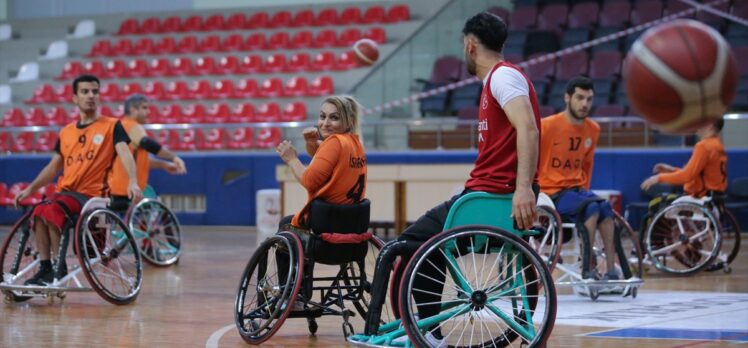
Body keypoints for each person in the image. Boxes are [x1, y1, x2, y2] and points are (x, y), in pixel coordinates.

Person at [364, 12, 541, 343]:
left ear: (470, 45)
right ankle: (425, 331)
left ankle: (427, 335)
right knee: (417, 245)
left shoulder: (503, 78)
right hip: (487, 194)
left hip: (487, 198)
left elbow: (528, 129)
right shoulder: (499, 80)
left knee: (403, 246)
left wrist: (523, 188)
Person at [13, 74, 143, 285]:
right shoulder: (66, 132)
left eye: (95, 91)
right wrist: (30, 190)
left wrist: (132, 181)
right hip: (64, 193)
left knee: (53, 209)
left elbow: (125, 153)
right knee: (38, 212)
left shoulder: (112, 126)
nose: (91, 96)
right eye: (85, 92)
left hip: (90, 196)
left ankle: (58, 267)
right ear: (75, 98)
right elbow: (53, 166)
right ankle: (46, 267)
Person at [274, 95, 368, 296]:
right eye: (322, 116)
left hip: (326, 235)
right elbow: (323, 161)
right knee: (298, 226)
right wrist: (311, 143)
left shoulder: (334, 142)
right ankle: (299, 292)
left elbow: (310, 180)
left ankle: (292, 295)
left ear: (348, 121)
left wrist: (291, 159)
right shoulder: (354, 143)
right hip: (352, 230)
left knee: (287, 226)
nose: (325, 123)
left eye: (334, 118)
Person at [538, 76, 619, 281]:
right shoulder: (546, 126)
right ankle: (587, 266)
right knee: (590, 208)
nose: (585, 104)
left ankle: (611, 270)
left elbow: (587, 165)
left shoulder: (593, 129)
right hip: (550, 192)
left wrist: (585, 190)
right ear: (567, 98)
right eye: (580, 98)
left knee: (606, 208)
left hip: (576, 191)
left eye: (589, 99)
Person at [108, 94, 187, 212]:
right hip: (126, 190)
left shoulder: (121, 126)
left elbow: (137, 161)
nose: (149, 112)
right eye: (144, 108)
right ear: (133, 110)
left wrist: (163, 165)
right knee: (155, 210)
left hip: (113, 189)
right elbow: (148, 144)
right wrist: (174, 157)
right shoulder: (131, 126)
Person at [641, 118, 727, 197]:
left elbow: (687, 176)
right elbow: (697, 176)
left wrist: (658, 178)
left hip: (702, 197)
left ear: (710, 126)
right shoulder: (717, 145)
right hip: (714, 197)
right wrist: (672, 170)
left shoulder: (704, 146)